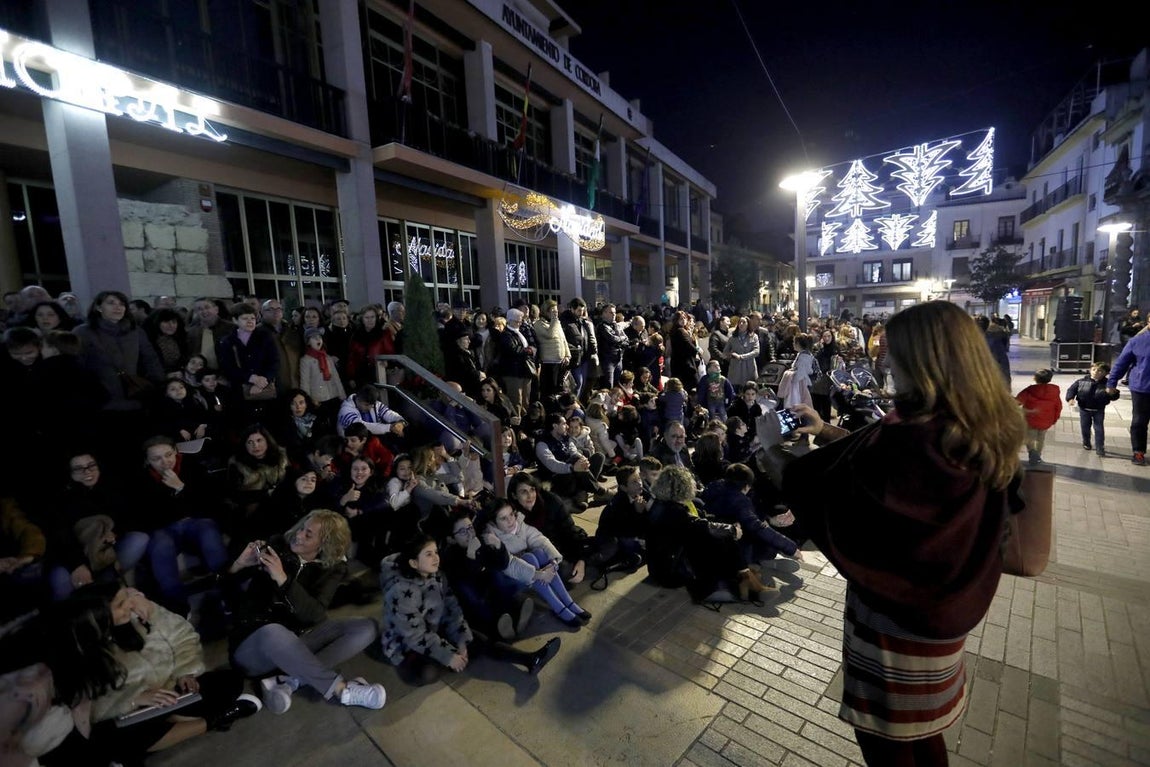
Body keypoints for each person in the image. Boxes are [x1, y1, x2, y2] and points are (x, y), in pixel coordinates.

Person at [774, 300, 1026, 766]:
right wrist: (829, 430)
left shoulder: (909, 437)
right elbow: (879, 459)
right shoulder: (984, 423)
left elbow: (856, 496)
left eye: (897, 352)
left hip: (892, 620)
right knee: (922, 736)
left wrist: (787, 468)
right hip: (946, 613)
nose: (888, 362)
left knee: (887, 743)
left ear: (924, 360)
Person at [224, 510, 385, 714]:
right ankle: (340, 690)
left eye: (308, 535)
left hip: (298, 640)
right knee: (274, 631)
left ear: (324, 545)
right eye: (302, 528)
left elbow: (314, 614)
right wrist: (239, 565)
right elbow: (227, 594)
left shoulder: (333, 568)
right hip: (254, 647)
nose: (299, 535)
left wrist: (282, 579)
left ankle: (289, 680)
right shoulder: (277, 546)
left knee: (366, 627)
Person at [81, 584, 259, 763]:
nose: (128, 605)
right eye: (120, 605)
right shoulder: (82, 645)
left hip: (172, 690)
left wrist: (185, 673)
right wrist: (134, 698)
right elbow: (91, 704)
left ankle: (170, 726)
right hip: (133, 709)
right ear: (98, 614)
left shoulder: (140, 609)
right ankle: (214, 720)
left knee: (230, 681)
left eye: (126, 598)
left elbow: (183, 636)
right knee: (107, 738)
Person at [379, 534, 561, 685]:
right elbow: (414, 636)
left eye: (435, 552)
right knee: (429, 673)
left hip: (432, 629)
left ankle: (530, 659)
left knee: (475, 640)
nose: (435, 558)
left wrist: (460, 638)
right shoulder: (400, 591)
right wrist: (448, 655)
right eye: (428, 554)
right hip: (405, 645)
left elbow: (452, 608)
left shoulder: (435, 575)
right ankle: (444, 660)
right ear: (413, 563)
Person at [646, 465, 770, 603]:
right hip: (671, 571)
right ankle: (734, 582)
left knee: (721, 537)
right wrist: (732, 530)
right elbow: (700, 526)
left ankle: (743, 576)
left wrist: (728, 527)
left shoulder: (664, 504)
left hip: (666, 563)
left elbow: (699, 523)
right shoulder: (674, 512)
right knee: (720, 540)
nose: (693, 485)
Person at [485, 498, 591, 629]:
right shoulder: (491, 538)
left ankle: (568, 602)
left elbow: (539, 539)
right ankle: (559, 608)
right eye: (503, 518)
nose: (510, 520)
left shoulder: (519, 524)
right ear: (494, 522)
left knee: (540, 552)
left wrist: (553, 561)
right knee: (530, 558)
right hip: (507, 578)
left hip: (527, 571)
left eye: (511, 514)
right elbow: (509, 564)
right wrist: (539, 574)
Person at [1107, 323, 1149, 465]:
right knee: (1139, 421)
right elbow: (1121, 363)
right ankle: (1138, 452)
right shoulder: (1137, 341)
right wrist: (1111, 382)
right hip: (1142, 387)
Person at [1066, 362, 1120, 456]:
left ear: (1105, 373)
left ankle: (1100, 447)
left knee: (1098, 428)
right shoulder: (1081, 381)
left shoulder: (1108, 384)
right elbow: (1071, 390)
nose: (1096, 372)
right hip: (1084, 409)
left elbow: (1114, 396)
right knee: (1085, 427)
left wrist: (1113, 393)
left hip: (1098, 409)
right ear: (1090, 370)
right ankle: (1086, 442)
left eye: (1100, 371)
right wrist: (1070, 399)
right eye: (1094, 370)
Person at [1015, 369, 1062, 466]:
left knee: (1030, 437)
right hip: (1046, 420)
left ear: (1035, 378)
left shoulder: (1029, 391)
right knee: (1041, 437)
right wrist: (1054, 419)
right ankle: (1038, 455)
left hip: (1030, 419)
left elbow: (1017, 402)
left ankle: (1032, 453)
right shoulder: (1054, 392)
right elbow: (1058, 406)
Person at [725, 316, 759, 388]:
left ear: (748, 324)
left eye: (744, 322)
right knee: (735, 390)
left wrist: (741, 357)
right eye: (740, 322)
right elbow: (725, 352)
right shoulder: (733, 337)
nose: (741, 324)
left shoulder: (753, 336)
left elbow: (756, 351)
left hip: (749, 367)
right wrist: (731, 354)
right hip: (735, 369)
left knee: (750, 389)